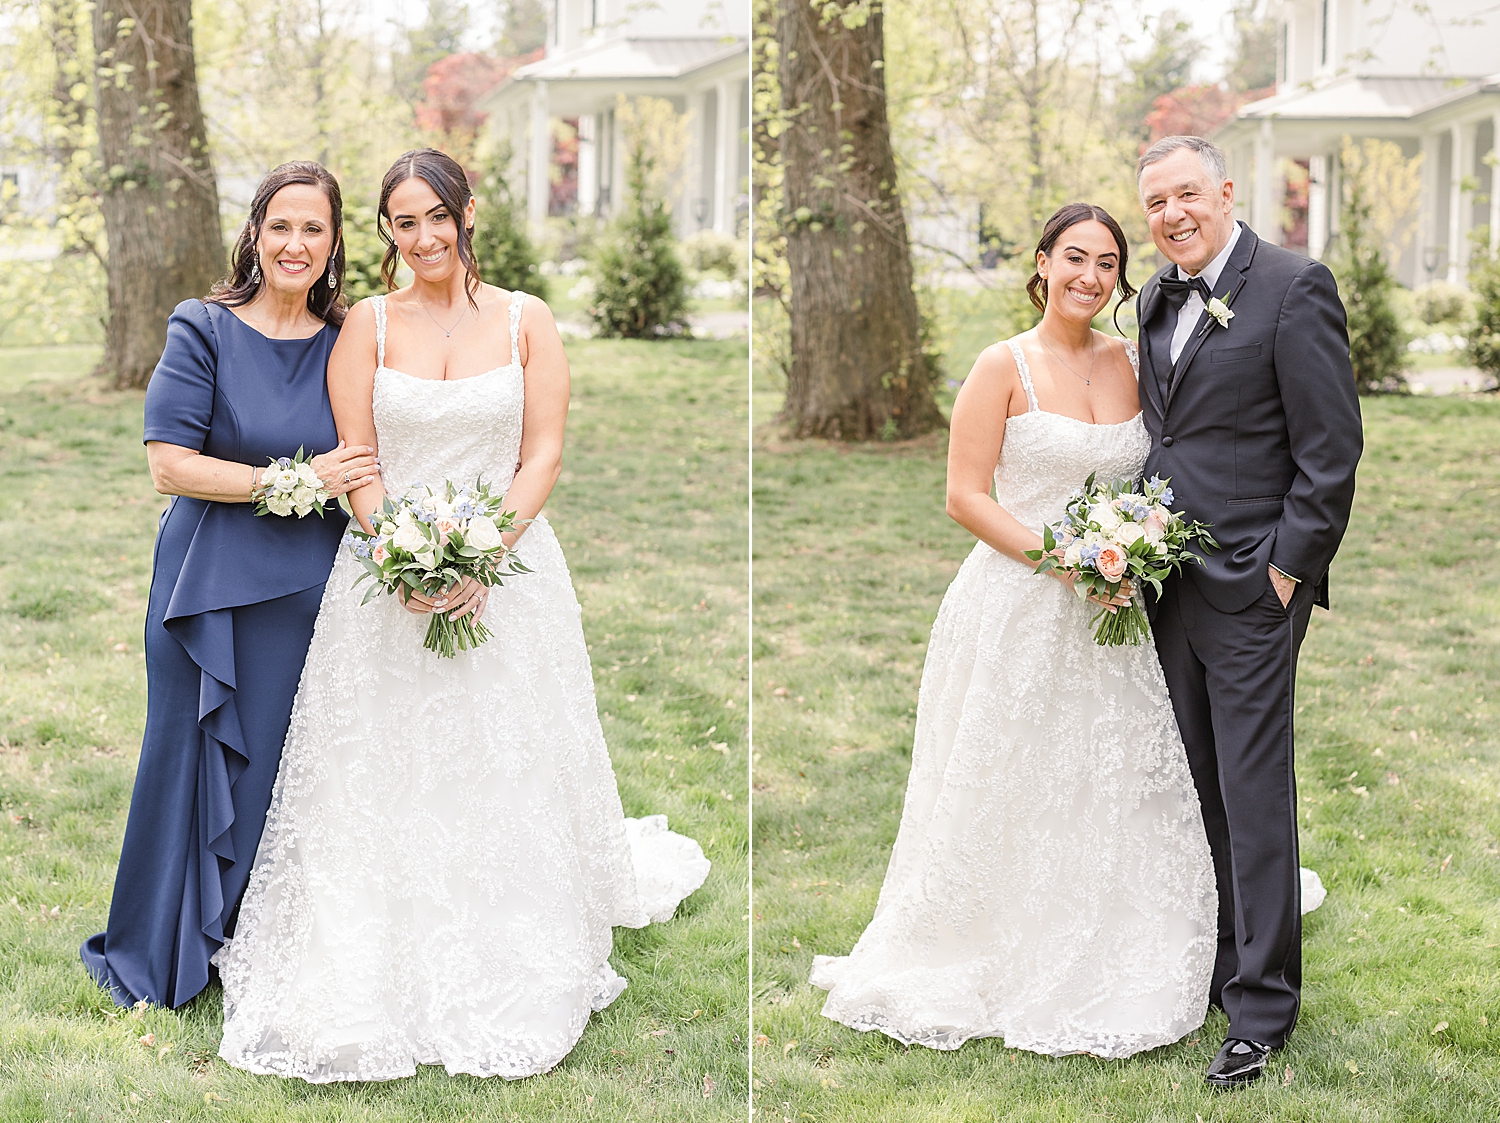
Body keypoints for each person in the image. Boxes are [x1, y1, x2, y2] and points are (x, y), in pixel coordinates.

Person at [212, 149, 711, 1083]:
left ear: (467, 212)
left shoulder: (529, 320)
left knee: (503, 756)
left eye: (437, 216)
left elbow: (543, 454)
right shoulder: (366, 323)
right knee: (381, 764)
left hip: (509, 573)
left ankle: (515, 926)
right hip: (385, 576)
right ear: (387, 233)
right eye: (404, 222)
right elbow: (356, 457)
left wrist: (485, 556)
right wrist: (399, 555)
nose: (424, 237)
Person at [810, 203, 1219, 1059]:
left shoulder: (1133, 363)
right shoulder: (1002, 366)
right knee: (1006, 772)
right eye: (1076, 257)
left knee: (1108, 771)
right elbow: (965, 495)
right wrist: (1068, 563)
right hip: (1018, 604)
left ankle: (1115, 927)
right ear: (1042, 263)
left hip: (1113, 610)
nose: (1091, 276)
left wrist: (1128, 557)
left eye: (1108, 263)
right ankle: (987, 939)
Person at [81, 162, 378, 1008]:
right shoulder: (202, 327)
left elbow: (368, 452)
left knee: (277, 772)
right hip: (205, 591)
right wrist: (292, 481)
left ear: (333, 242)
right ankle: (160, 949)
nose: (295, 244)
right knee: (186, 759)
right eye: (279, 226)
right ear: (254, 233)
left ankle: (247, 944)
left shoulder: (347, 336)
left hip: (307, 594)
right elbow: (169, 465)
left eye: (312, 229)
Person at [1134, 135, 1361, 1088]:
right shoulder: (1150, 298)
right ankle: (1224, 964)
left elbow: (1331, 450)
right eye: (1155, 203)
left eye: (1187, 194)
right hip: (1166, 582)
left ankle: (1262, 1009)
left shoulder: (1294, 286)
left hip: (1254, 589)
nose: (1172, 214)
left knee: (1255, 792)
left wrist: (1287, 571)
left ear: (1225, 191)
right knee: (1202, 788)